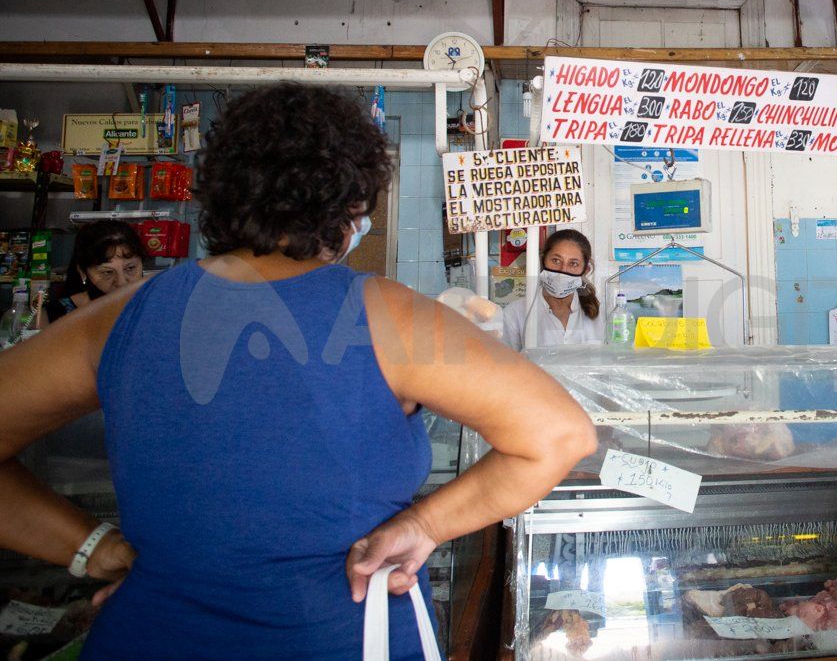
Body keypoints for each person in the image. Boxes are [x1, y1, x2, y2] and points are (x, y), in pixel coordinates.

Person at [0, 84, 595, 659]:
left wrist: (95, 550)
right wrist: (426, 525)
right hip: (343, 635)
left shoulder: (119, 317)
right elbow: (559, 434)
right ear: (351, 205)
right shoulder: (389, 315)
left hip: (148, 634)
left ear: (224, 190)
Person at [502, 229, 604, 351]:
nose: (563, 270)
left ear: (585, 270)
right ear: (543, 261)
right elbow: (505, 363)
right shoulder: (515, 313)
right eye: (556, 261)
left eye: (573, 264)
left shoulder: (601, 311)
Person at [43, 220, 149, 323]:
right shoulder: (57, 316)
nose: (121, 282)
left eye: (130, 268)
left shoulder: (156, 307)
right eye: (107, 272)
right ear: (83, 273)